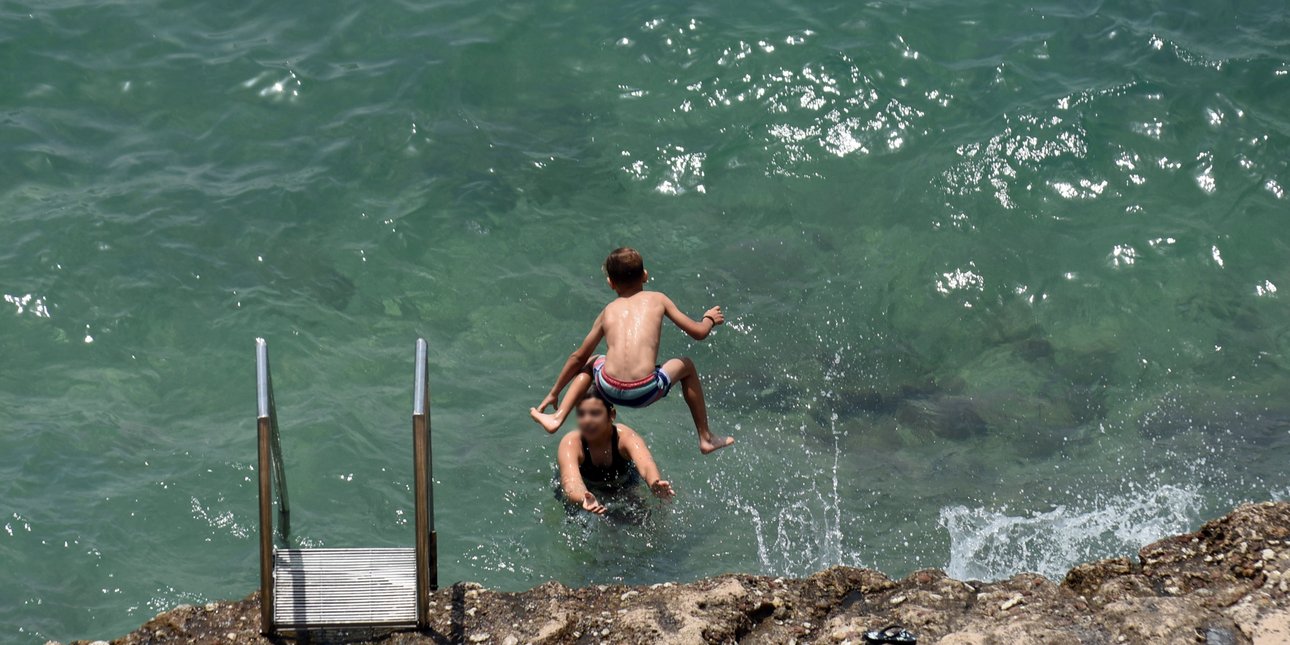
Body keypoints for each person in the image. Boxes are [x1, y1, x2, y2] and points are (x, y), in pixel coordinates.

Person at [530, 247, 735, 454]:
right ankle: (706, 437)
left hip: (608, 387)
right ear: (645, 275)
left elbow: (578, 357)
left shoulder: (608, 311)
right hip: (643, 391)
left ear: (610, 283)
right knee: (687, 366)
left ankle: (558, 417)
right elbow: (698, 333)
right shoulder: (658, 299)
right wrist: (709, 319)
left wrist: (554, 392)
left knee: (592, 361)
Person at [558, 390, 674, 515]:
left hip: (623, 483)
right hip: (587, 489)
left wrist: (653, 483)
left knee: (642, 515)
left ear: (611, 415)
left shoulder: (624, 437)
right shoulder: (571, 443)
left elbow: (646, 463)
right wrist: (583, 498)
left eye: (595, 413)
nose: (587, 420)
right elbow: (571, 482)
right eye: (581, 414)